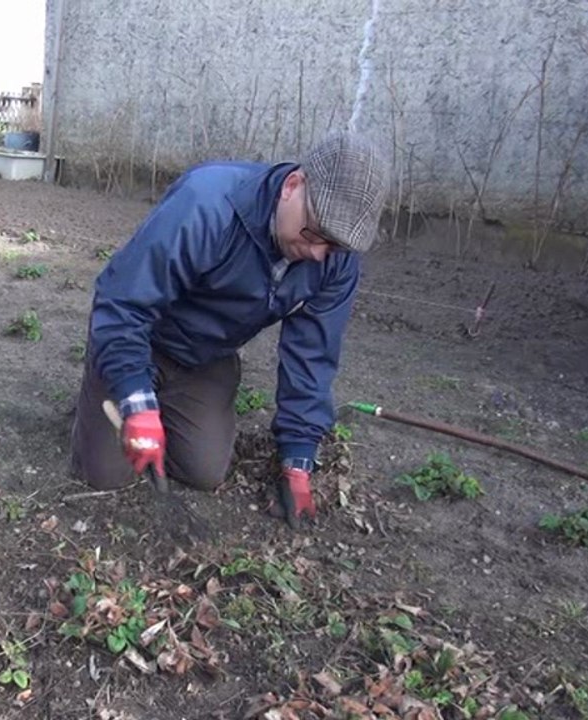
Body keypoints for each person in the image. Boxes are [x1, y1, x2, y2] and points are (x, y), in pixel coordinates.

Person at [69, 131, 391, 529]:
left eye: (335, 246)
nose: (318, 253)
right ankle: (114, 387)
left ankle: (162, 405)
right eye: (314, 233)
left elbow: (312, 358)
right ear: (293, 186)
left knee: (205, 472)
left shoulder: (334, 262)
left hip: (205, 355)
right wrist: (136, 398)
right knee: (105, 474)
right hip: (142, 334)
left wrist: (298, 460)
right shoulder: (208, 203)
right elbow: (123, 301)